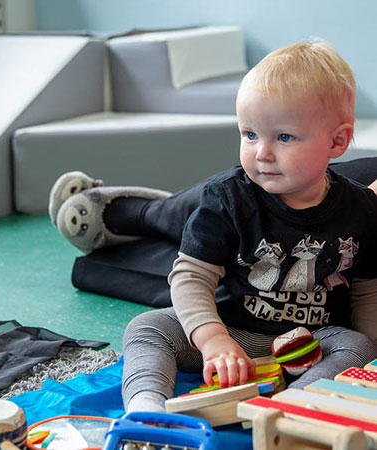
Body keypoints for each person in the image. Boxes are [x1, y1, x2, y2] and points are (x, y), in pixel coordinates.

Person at [49, 38, 377, 413]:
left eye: (283, 137)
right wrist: (213, 340)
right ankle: (146, 405)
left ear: (338, 142)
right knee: (147, 326)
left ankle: (287, 410)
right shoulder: (228, 197)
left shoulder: (361, 208)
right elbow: (190, 277)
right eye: (249, 134)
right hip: (232, 329)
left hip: (313, 342)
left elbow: (367, 291)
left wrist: (369, 360)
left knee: (360, 346)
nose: (262, 153)